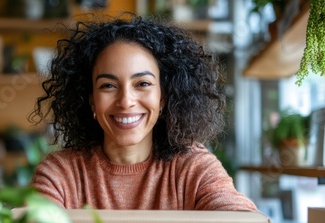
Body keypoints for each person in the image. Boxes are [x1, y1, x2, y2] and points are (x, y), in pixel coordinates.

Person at [30, 14, 256, 211]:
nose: (126, 101)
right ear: (91, 101)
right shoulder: (62, 174)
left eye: (143, 84)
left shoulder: (191, 167)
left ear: (163, 98)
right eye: (108, 86)